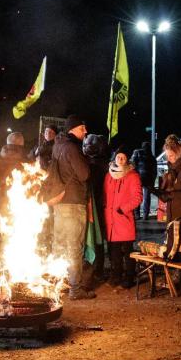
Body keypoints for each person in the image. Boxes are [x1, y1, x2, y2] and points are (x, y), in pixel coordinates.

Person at [42, 114, 94, 300]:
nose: (85, 131)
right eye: (82, 128)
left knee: (60, 245)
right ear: (73, 129)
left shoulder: (58, 146)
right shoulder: (72, 148)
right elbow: (84, 174)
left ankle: (58, 283)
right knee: (74, 247)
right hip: (73, 203)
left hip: (59, 203)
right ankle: (75, 288)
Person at [151, 135, 181, 292]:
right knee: (175, 247)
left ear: (179, 152)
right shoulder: (172, 170)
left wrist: (171, 194)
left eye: (171, 155)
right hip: (173, 216)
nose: (169, 158)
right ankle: (178, 274)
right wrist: (158, 191)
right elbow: (168, 194)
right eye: (167, 155)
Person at [103, 151, 142, 289]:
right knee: (114, 252)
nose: (120, 159)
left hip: (124, 219)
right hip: (111, 220)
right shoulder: (108, 175)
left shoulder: (133, 176)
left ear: (127, 160)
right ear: (114, 158)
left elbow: (137, 198)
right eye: (118, 156)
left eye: (123, 157)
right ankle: (116, 276)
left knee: (127, 252)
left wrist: (122, 209)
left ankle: (129, 277)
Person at [82, 134, 109, 286]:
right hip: (93, 205)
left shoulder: (101, 165)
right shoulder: (91, 162)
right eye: (86, 145)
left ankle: (98, 269)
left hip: (98, 206)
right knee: (95, 239)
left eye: (91, 145)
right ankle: (95, 269)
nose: (88, 147)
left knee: (97, 239)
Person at [131, 141, 157, 220]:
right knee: (146, 197)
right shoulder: (152, 157)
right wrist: (153, 179)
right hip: (148, 178)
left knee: (137, 196)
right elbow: (154, 170)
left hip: (138, 178)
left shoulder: (137, 153)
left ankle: (137, 214)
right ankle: (145, 215)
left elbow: (133, 164)